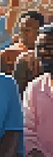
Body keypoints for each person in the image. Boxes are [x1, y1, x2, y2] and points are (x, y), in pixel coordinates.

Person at [23, 25, 53, 157]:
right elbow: (27, 132)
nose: (42, 52)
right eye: (38, 48)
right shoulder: (34, 88)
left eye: (48, 48)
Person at [11, 11, 45, 94]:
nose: (23, 34)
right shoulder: (9, 54)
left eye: (27, 30)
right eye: (20, 30)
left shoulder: (47, 54)